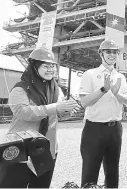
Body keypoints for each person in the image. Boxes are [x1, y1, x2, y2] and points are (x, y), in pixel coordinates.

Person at [0, 47, 80, 188]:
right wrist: (55, 108)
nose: (50, 69)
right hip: (20, 150)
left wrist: (67, 111)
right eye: (46, 66)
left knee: (40, 186)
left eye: (53, 66)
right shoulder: (20, 89)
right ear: (35, 67)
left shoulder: (57, 90)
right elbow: (23, 112)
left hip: (46, 149)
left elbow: (56, 115)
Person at [79, 40, 127, 188]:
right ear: (101, 53)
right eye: (108, 52)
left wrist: (116, 93)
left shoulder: (121, 77)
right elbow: (84, 102)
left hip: (115, 129)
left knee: (112, 172)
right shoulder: (90, 74)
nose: (112, 55)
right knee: (90, 172)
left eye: (115, 52)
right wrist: (103, 90)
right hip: (94, 129)